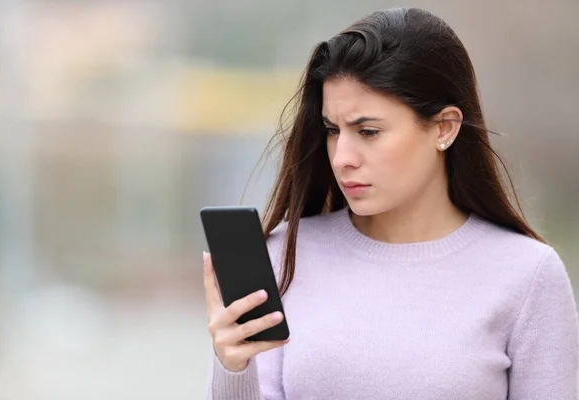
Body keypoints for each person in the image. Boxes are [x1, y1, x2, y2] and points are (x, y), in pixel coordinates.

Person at [202, 7, 579, 400]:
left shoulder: (528, 276)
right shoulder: (284, 256)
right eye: (333, 130)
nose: (341, 156)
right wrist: (232, 367)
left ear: (444, 128)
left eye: (368, 131)